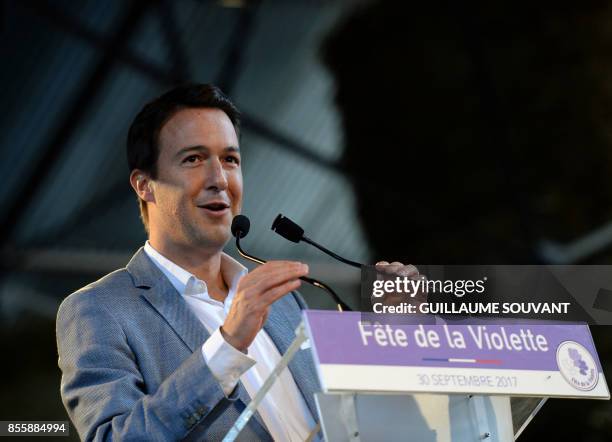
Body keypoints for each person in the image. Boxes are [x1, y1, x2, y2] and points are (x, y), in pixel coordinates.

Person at [56, 83, 416, 441]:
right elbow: (115, 437)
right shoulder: (98, 310)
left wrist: (393, 335)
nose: (219, 179)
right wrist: (227, 346)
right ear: (144, 185)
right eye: (193, 159)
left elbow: (350, 420)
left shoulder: (283, 300)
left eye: (230, 159)